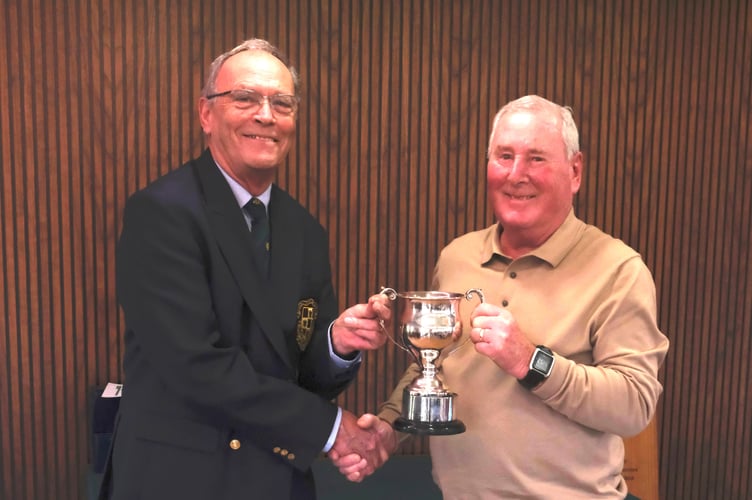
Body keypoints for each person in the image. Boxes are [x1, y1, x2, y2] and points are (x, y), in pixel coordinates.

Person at [330, 95, 670, 499]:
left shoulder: (618, 270)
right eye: (504, 156)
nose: (516, 174)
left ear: (575, 171)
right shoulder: (457, 256)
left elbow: (633, 405)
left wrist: (531, 363)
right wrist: (390, 427)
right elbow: (437, 364)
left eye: (536, 158)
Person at [98, 38, 392, 500]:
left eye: (282, 103)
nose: (266, 115)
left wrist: (337, 344)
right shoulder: (162, 213)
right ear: (206, 114)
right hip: (178, 482)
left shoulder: (304, 229)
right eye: (245, 98)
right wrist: (334, 430)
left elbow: (303, 374)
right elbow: (196, 366)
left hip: (275, 480)